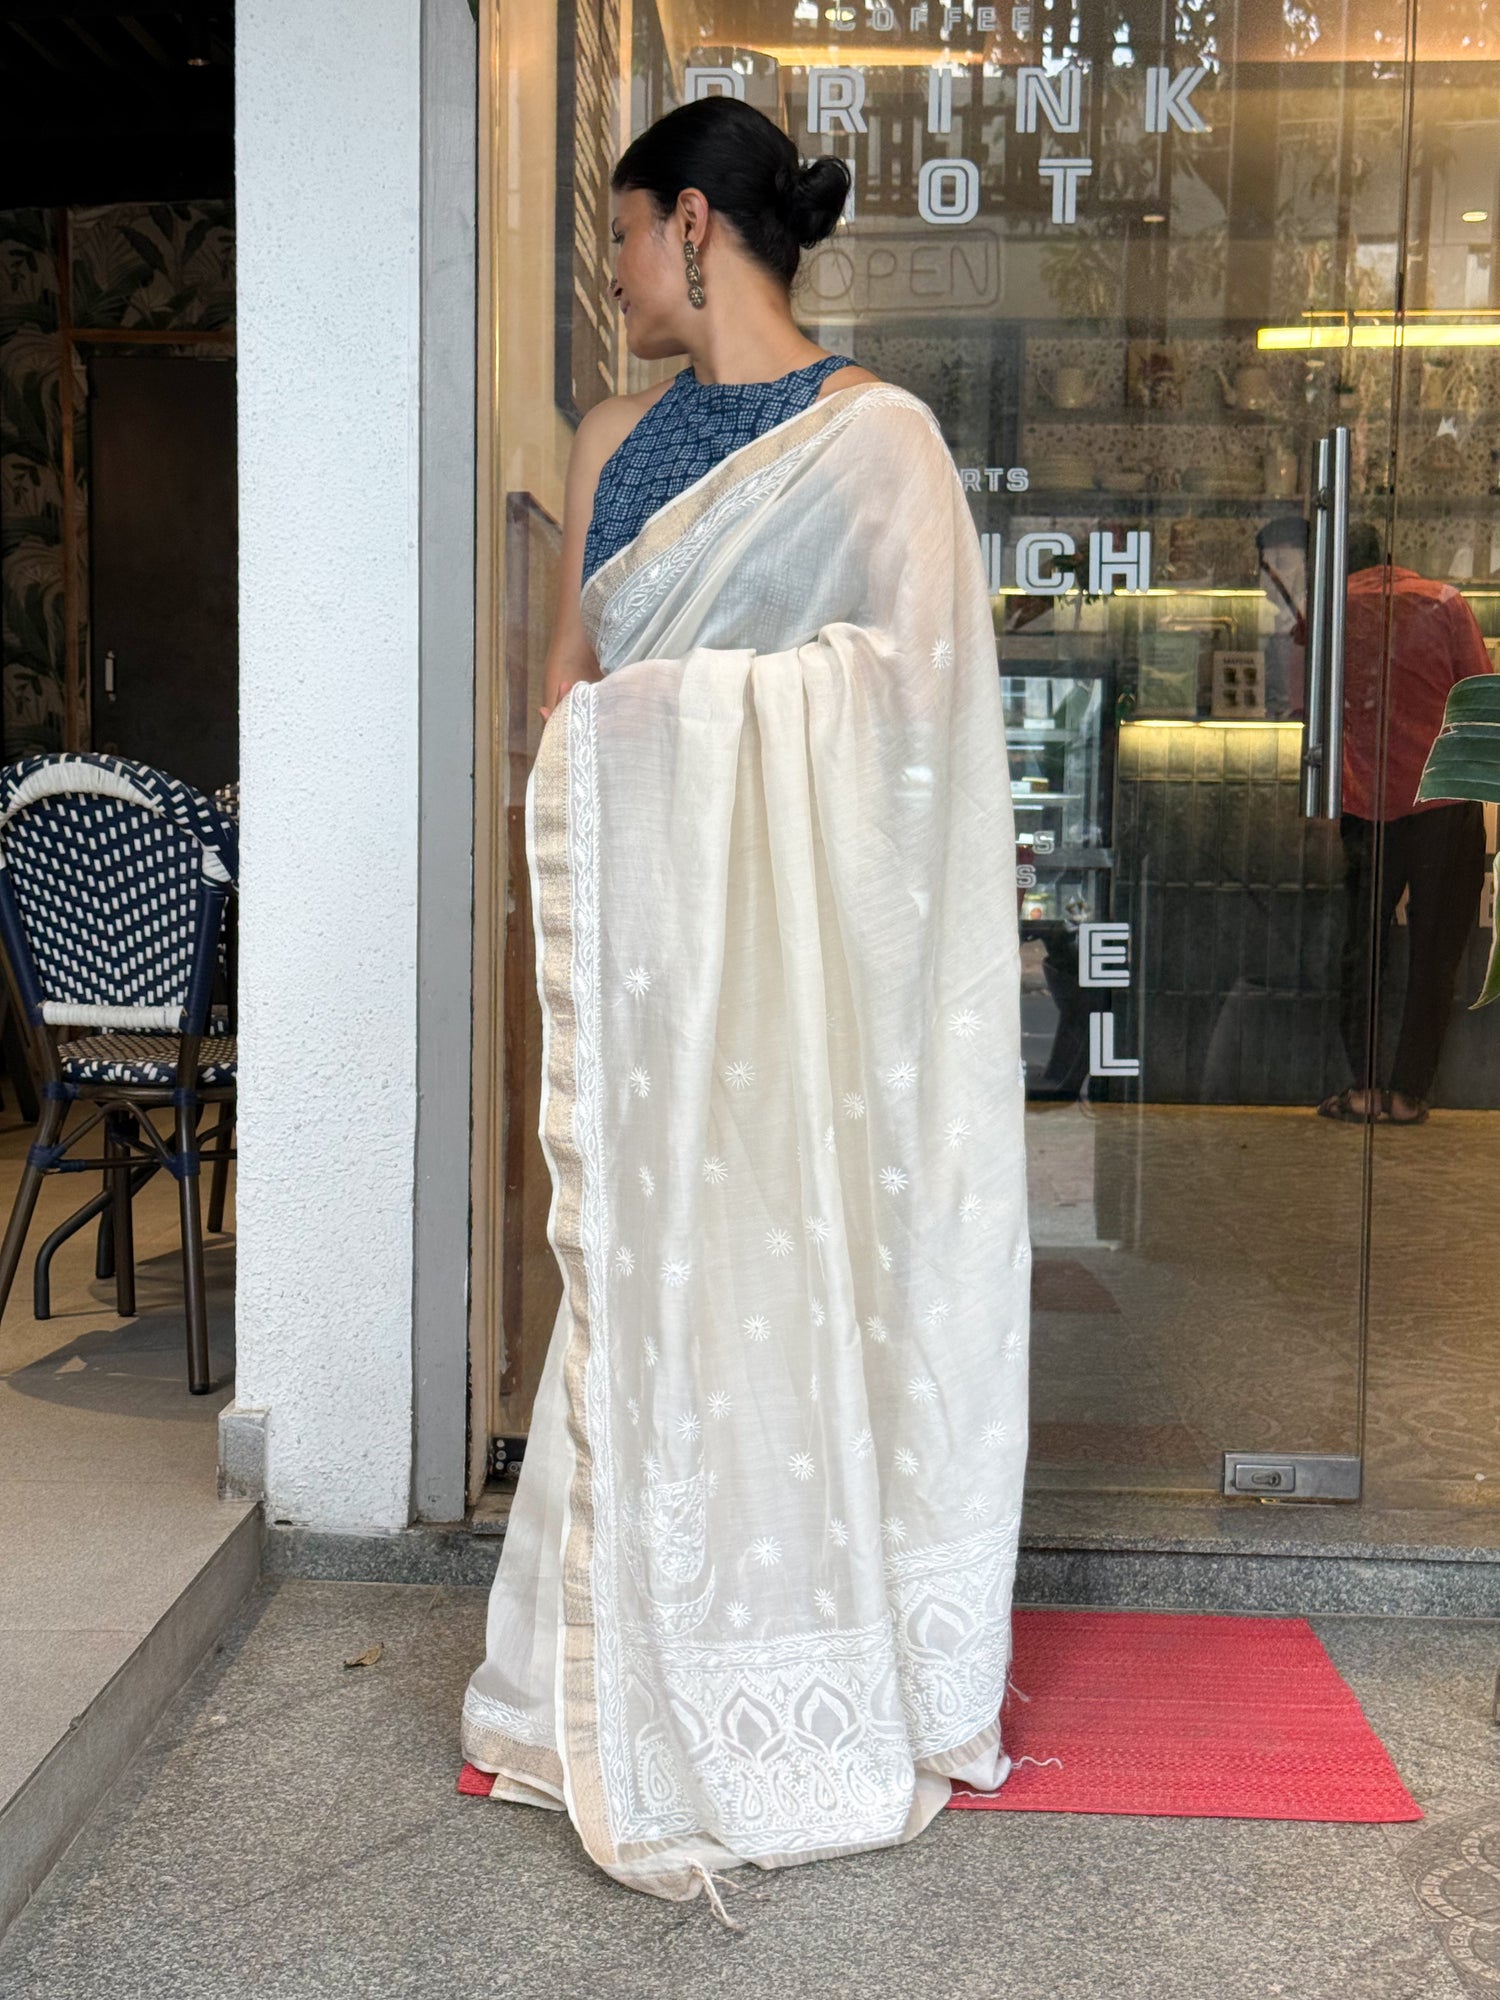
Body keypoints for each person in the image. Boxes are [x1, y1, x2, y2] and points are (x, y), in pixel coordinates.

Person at [461, 95, 1030, 1910]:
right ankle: (620, 1660)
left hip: (798, 996)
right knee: (651, 1290)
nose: (614, 273)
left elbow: (922, 715)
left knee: (794, 1280)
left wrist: (694, 721)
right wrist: (620, 739)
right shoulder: (612, 435)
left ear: (693, 228)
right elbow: (569, 698)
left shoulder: (884, 446)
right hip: (659, 971)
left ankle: (808, 1664)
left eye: (624, 236)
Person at [1319, 523, 1493, 1126]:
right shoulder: (1444, 602)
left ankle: (1364, 1087)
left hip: (1366, 802)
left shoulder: (1329, 612)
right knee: (1436, 953)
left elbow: (1305, 705)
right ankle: (1406, 1095)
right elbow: (1479, 697)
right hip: (1444, 802)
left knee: (1362, 951)